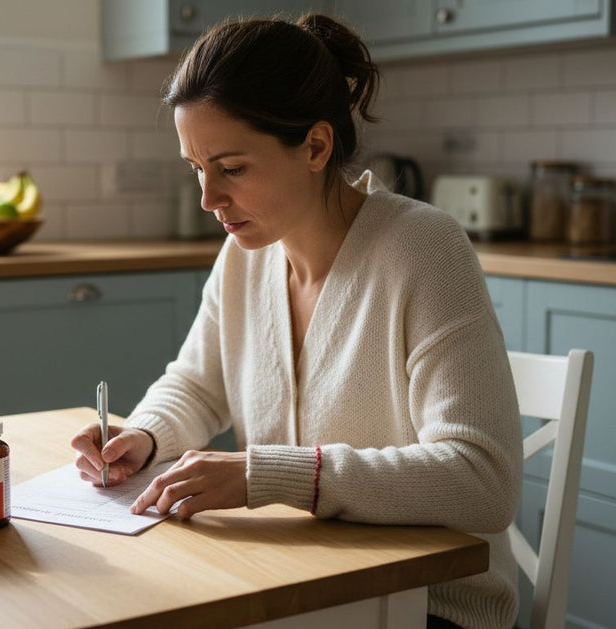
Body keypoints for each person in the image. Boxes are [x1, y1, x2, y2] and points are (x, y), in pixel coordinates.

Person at [70, 13, 521, 629]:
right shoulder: (246, 255)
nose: (208, 198)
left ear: (315, 146)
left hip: (425, 604)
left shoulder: (422, 248)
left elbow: (483, 480)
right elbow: (198, 385)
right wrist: (144, 437)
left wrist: (265, 475)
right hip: (299, 586)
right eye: (196, 168)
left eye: (231, 168)